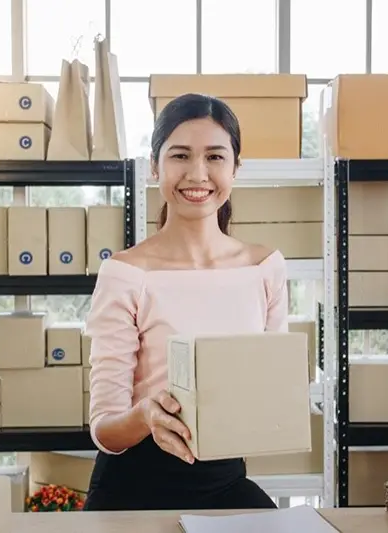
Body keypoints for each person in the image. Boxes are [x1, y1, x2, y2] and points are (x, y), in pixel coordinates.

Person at [82, 92, 289, 511]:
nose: (198, 174)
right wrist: (145, 415)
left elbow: (270, 393)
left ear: (235, 168)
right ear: (156, 166)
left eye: (215, 157)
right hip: (133, 490)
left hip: (226, 483)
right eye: (180, 156)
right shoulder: (126, 274)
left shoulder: (265, 268)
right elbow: (104, 429)